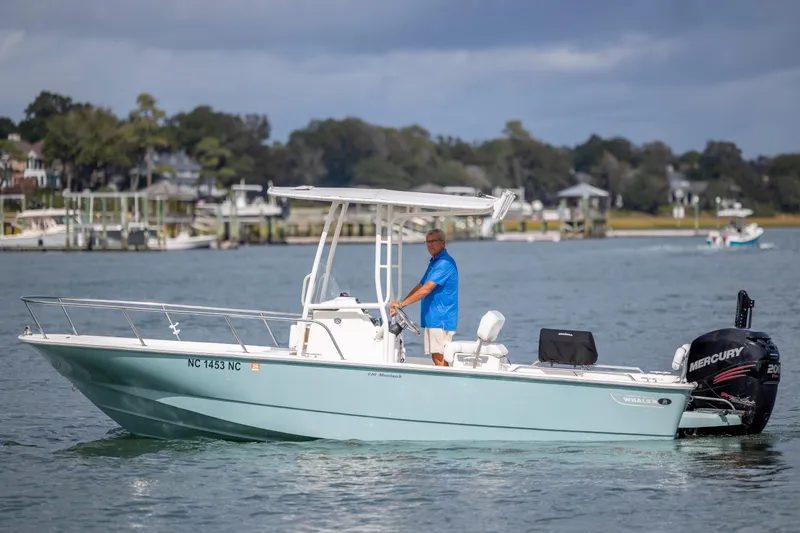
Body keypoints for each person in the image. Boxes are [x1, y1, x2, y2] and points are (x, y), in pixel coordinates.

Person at [390, 229, 458, 366]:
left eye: (433, 241)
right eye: (427, 242)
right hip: (433, 318)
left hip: (441, 318)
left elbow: (427, 289)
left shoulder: (444, 263)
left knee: (440, 357)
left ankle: (448, 386)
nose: (430, 245)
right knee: (436, 356)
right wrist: (401, 303)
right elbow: (421, 285)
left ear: (443, 243)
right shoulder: (434, 262)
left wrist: (402, 304)